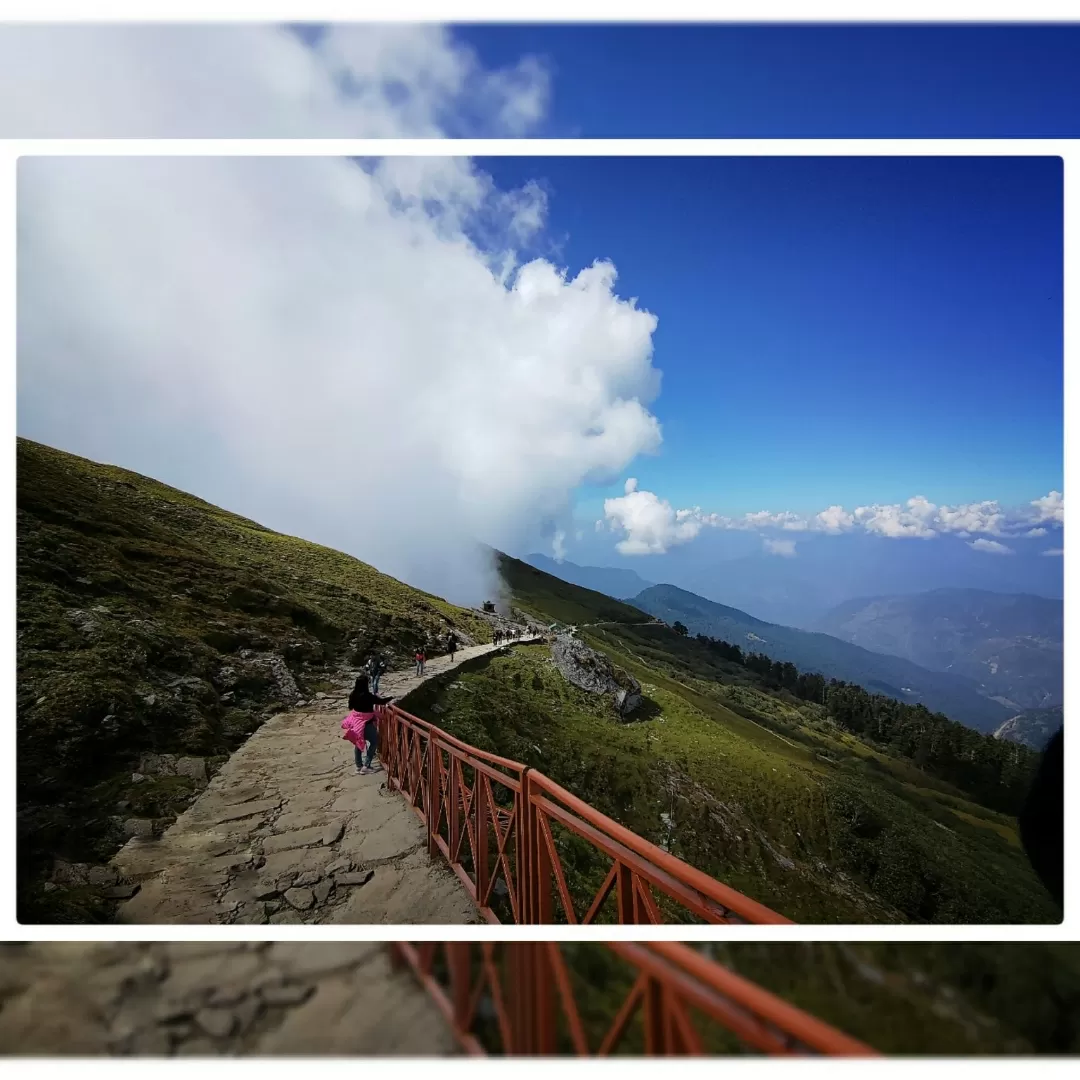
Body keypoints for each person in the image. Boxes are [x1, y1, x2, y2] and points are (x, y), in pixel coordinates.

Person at [343, 676, 392, 775]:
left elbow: (350, 707)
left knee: (358, 743)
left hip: (355, 723)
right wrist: (391, 698)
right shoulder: (368, 696)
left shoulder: (353, 694)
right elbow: (382, 702)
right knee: (374, 742)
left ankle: (358, 766)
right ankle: (367, 765)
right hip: (367, 724)